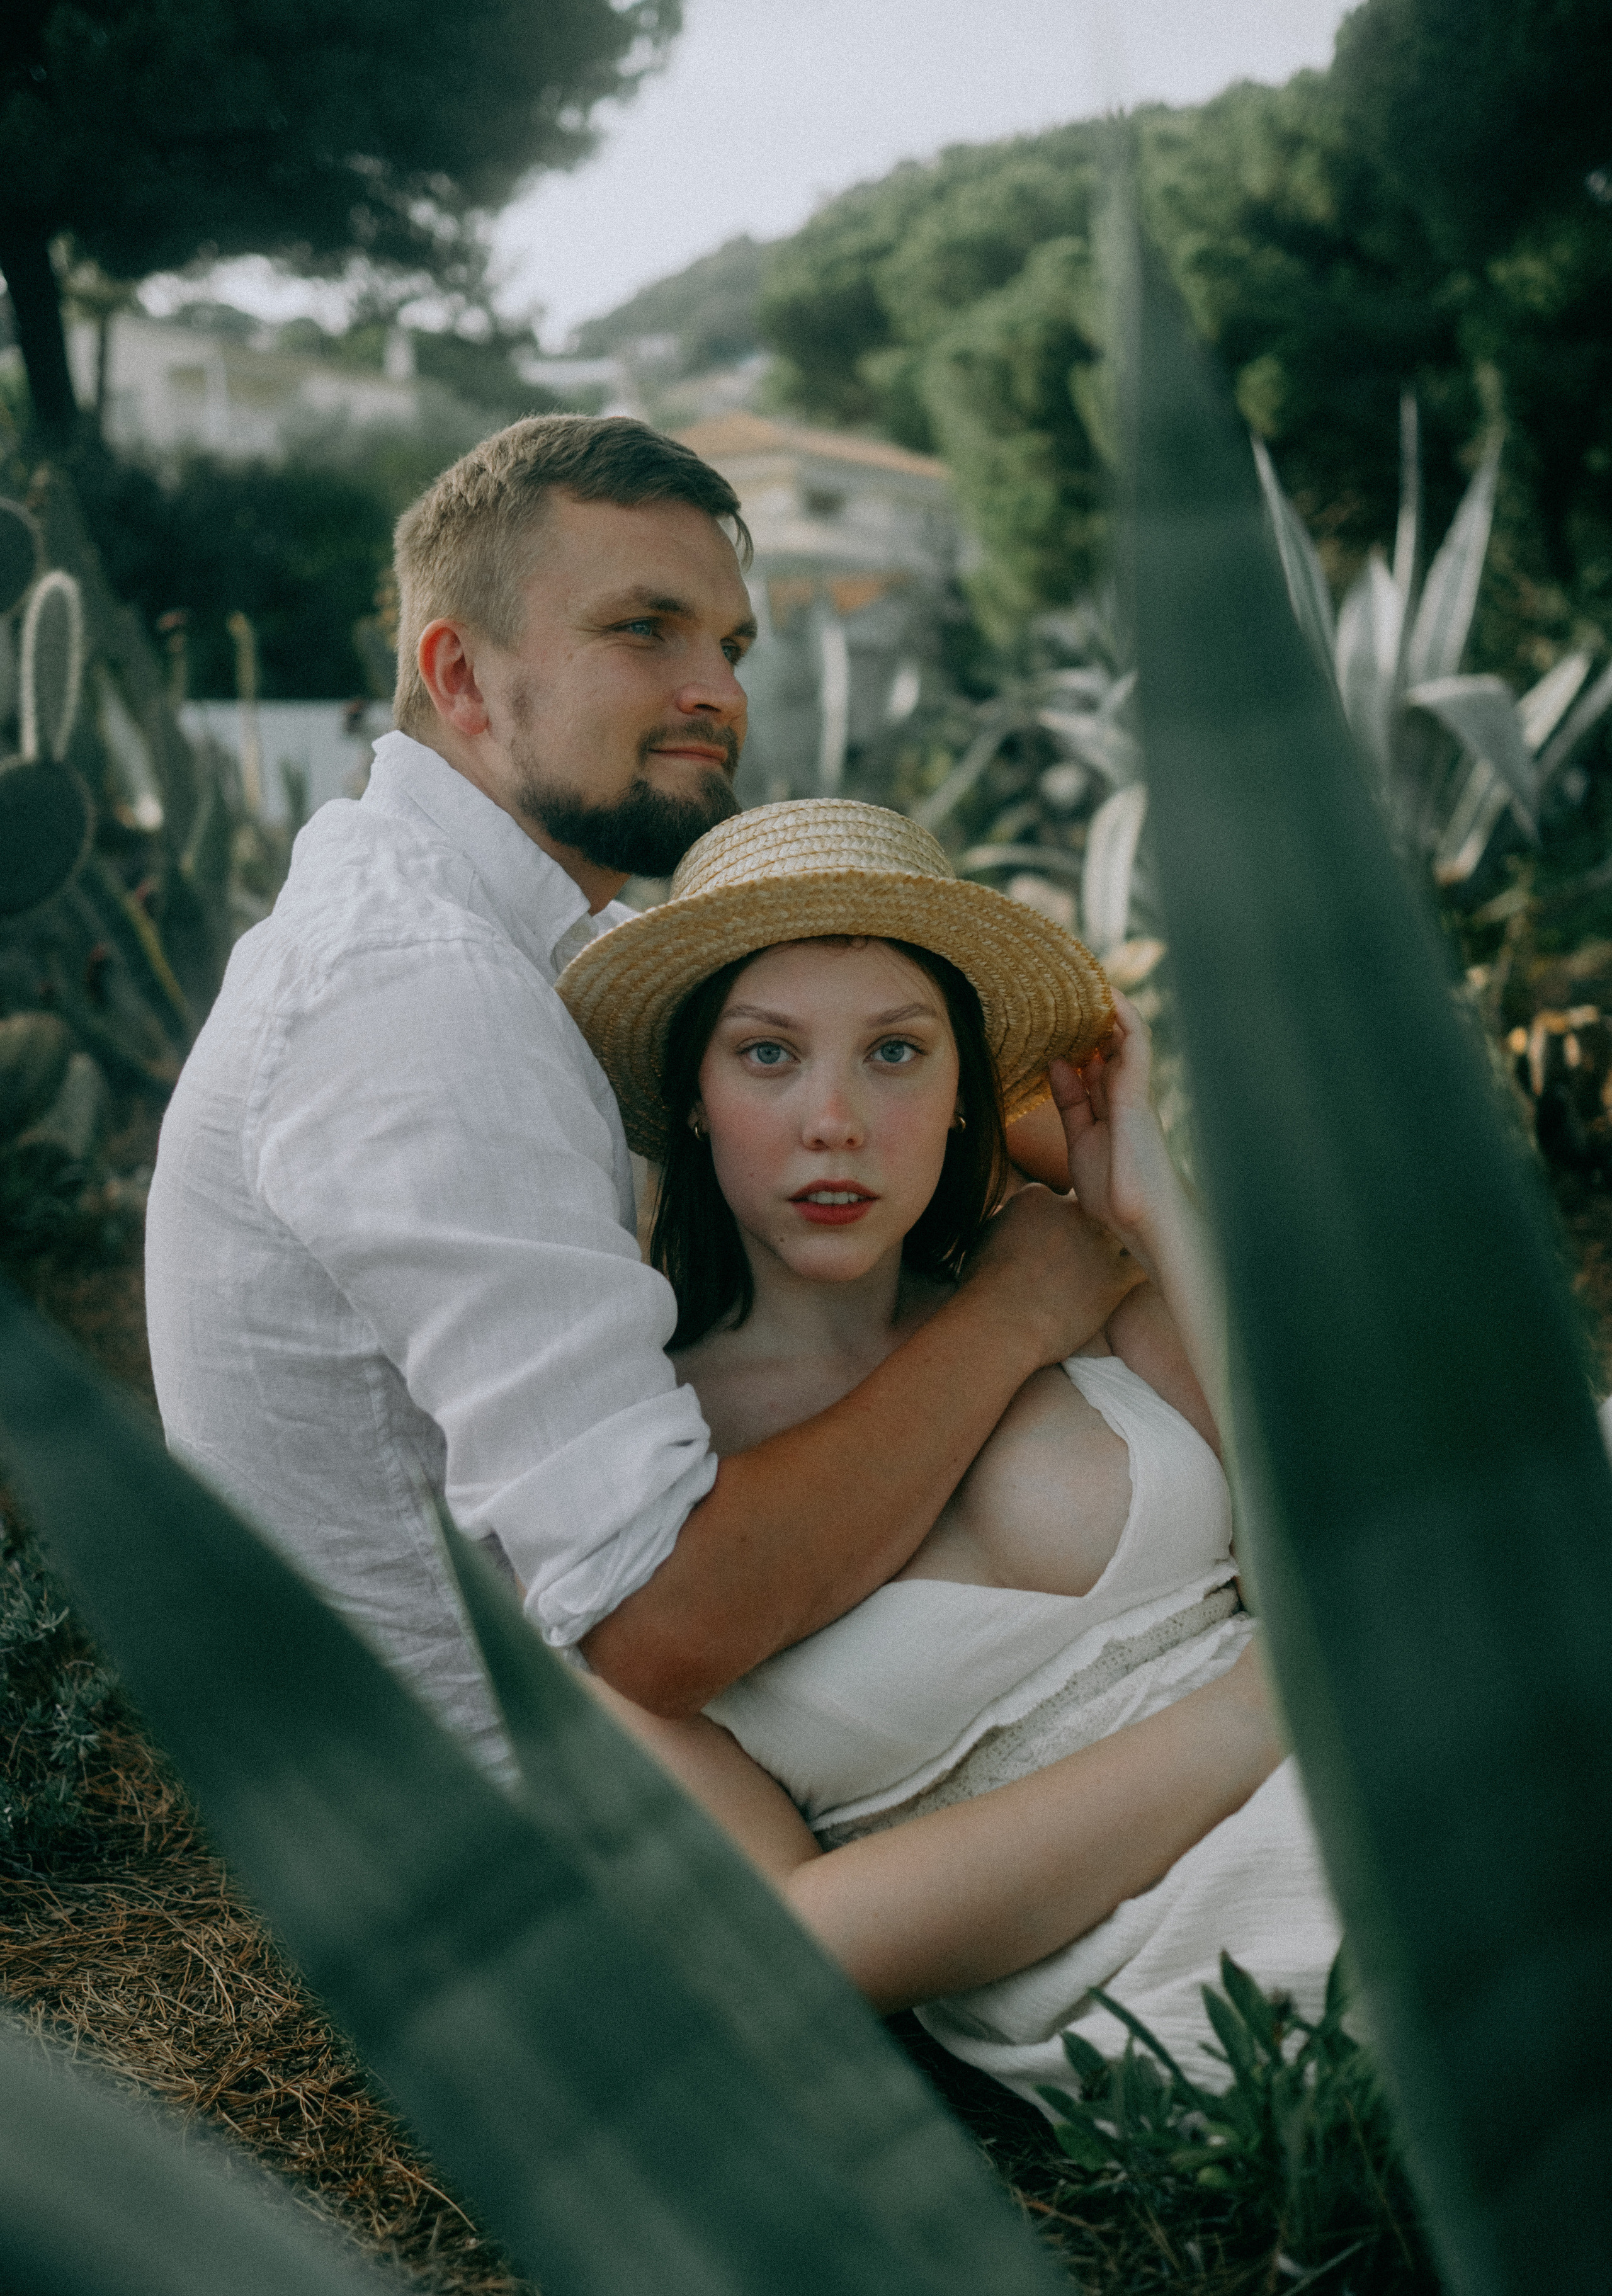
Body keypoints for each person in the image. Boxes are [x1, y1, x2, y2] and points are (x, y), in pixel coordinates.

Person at [144, 415, 1136, 1778]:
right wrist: (1019, 1308)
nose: (714, 691)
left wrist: (1039, 1108)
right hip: (539, 1846)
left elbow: (972, 1109)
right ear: (461, 676)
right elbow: (657, 1620)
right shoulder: (419, 994)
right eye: (643, 631)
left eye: (727, 646)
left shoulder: (528, 934)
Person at [556, 798, 1342, 2096]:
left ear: (961, 1093)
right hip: (1141, 1939)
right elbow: (792, 1945)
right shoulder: (637, 1472)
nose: (833, 1121)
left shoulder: (1073, 1273)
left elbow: (1323, 1528)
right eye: (765, 1056)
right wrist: (1266, 1707)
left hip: (1352, 1746)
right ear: (689, 1096)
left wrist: (1149, 1199)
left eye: (895, 1054)